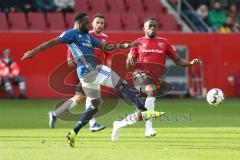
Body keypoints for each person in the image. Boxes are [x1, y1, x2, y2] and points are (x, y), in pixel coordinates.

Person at [21, 13, 163, 147]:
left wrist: (124, 46)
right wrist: (32, 52)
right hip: (92, 69)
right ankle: (144, 110)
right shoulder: (71, 34)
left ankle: (73, 132)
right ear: (79, 22)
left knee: (95, 105)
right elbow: (52, 42)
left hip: (85, 77)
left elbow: (105, 46)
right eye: (87, 23)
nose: (89, 25)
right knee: (121, 84)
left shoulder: (87, 37)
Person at [111, 18, 200, 141]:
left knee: (140, 115)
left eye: (155, 27)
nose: (153, 28)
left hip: (154, 79)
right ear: (144, 28)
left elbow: (178, 61)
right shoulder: (137, 42)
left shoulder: (164, 43)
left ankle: (118, 124)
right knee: (151, 90)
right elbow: (128, 65)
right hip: (139, 75)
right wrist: (129, 61)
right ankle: (148, 129)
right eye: (150, 26)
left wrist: (190, 63)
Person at [48, 14, 110, 132]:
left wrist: (109, 61)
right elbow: (71, 43)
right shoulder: (87, 33)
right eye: (97, 22)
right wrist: (69, 57)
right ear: (92, 23)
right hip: (86, 69)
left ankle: (55, 114)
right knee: (87, 96)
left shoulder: (105, 37)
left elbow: (107, 52)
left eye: (102, 23)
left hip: (96, 70)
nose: (100, 25)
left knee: (79, 97)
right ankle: (92, 124)